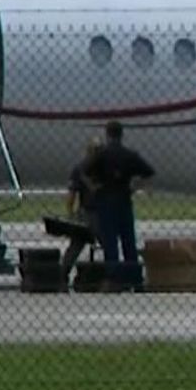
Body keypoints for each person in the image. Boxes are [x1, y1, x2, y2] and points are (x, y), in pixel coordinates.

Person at [84, 120, 154, 291]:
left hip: (106, 200)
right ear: (122, 134)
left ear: (107, 134)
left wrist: (94, 187)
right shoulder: (130, 155)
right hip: (124, 199)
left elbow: (85, 171)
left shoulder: (102, 154)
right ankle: (135, 280)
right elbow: (148, 173)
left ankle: (114, 279)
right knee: (128, 241)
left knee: (110, 242)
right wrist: (134, 187)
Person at [57, 142, 101, 289]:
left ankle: (62, 274)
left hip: (86, 211)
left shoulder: (80, 168)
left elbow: (72, 194)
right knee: (108, 245)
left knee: (76, 244)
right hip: (104, 212)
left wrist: (70, 213)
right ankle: (112, 275)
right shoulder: (107, 168)